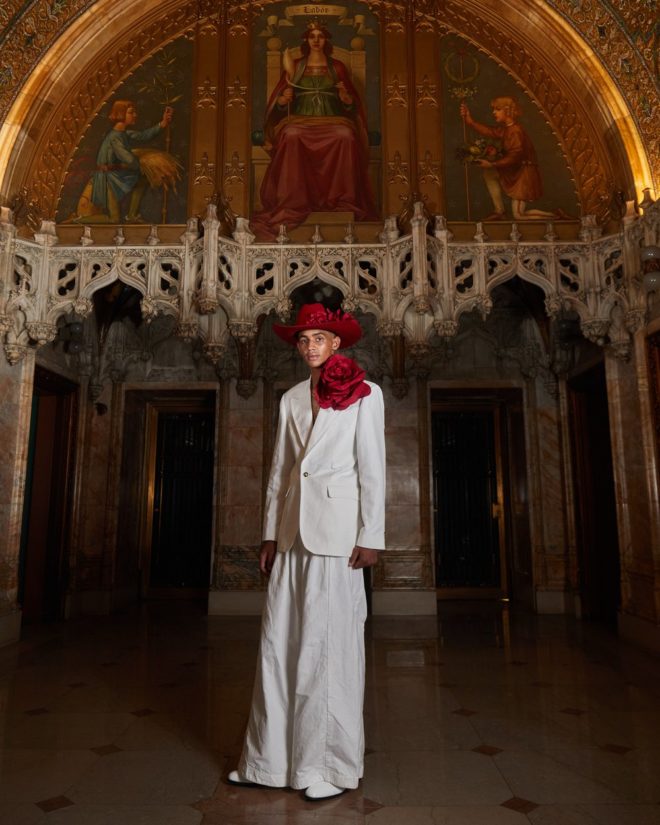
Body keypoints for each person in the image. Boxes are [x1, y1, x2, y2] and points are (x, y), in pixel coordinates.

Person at [229, 302, 386, 800]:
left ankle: (325, 768)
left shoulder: (367, 394)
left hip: (338, 535)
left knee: (326, 647)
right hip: (294, 533)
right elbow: (280, 470)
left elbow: (373, 468)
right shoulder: (292, 397)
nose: (310, 346)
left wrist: (371, 535)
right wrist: (270, 533)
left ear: (337, 343)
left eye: (319, 338)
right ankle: (265, 763)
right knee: (279, 643)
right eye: (303, 339)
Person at [250, 23, 378, 239]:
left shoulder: (336, 67)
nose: (316, 40)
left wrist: (346, 99)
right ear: (306, 41)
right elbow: (278, 105)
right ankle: (292, 200)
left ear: (326, 40)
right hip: (300, 120)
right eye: (312, 36)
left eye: (320, 36)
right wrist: (283, 99)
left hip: (332, 120)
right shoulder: (297, 67)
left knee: (345, 136)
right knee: (291, 135)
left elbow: (351, 105)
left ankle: (343, 200)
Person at [460, 96, 568, 221]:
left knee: (519, 215)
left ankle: (556, 215)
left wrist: (492, 164)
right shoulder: (508, 128)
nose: (494, 112)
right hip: (515, 170)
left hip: (523, 175)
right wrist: (470, 121)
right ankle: (499, 211)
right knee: (489, 174)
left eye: (497, 109)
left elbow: (514, 157)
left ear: (507, 111)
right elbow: (491, 132)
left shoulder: (516, 131)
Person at [72, 100, 178, 223]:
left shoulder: (123, 133)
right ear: (121, 114)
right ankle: (77, 220)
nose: (135, 115)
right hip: (107, 179)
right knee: (114, 219)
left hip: (116, 175)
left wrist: (163, 123)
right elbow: (130, 160)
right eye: (131, 112)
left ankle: (131, 215)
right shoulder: (115, 138)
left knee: (142, 181)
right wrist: (148, 163)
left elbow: (143, 135)